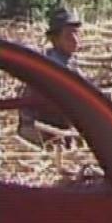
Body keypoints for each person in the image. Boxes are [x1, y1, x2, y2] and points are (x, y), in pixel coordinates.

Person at [17, 9, 84, 145]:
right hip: (38, 129)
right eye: (68, 35)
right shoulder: (50, 65)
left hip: (59, 127)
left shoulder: (71, 63)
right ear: (55, 40)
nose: (75, 39)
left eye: (76, 33)